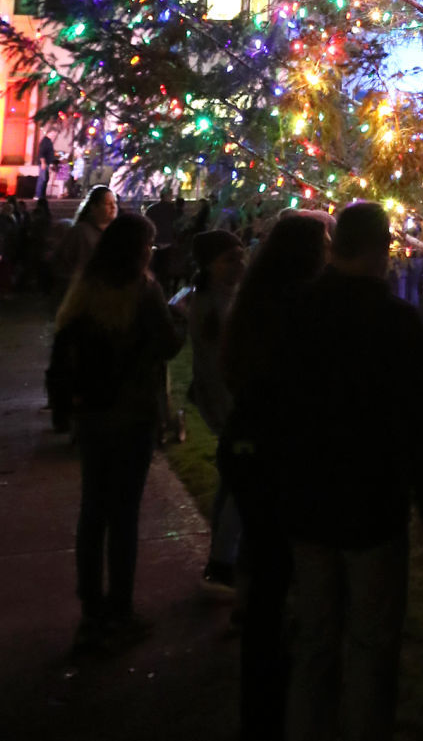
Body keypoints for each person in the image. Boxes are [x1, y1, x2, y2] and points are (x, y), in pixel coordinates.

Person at [279, 203, 423, 741]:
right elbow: (420, 420)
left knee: (315, 639)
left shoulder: (298, 310)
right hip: (372, 498)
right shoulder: (395, 322)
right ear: (381, 249)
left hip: (307, 495)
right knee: (371, 642)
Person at [48, 211, 184, 651]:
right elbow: (167, 344)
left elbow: (65, 341)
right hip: (132, 412)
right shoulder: (143, 291)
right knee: (123, 515)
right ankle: (119, 608)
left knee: (94, 509)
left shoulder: (86, 288)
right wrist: (179, 318)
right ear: (138, 249)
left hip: (93, 413)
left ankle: (92, 607)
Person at [219, 212, 329, 741]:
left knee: (266, 568)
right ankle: (289, 692)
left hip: (247, 449)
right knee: (292, 568)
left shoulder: (254, 302)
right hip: (285, 454)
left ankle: (260, 695)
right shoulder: (303, 309)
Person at [178, 229, 246, 588]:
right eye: (229, 259)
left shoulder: (226, 296)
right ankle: (223, 561)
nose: (239, 264)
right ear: (209, 264)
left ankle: (223, 556)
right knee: (243, 484)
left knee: (232, 480)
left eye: (240, 256)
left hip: (226, 405)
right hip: (230, 407)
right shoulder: (211, 304)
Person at [54, 186, 117, 298]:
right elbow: (63, 264)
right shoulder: (80, 232)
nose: (113, 207)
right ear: (94, 207)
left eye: (114, 203)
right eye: (108, 203)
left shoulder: (116, 232)